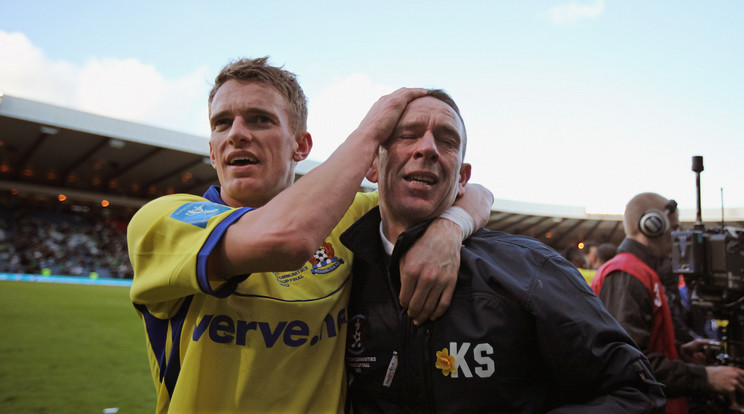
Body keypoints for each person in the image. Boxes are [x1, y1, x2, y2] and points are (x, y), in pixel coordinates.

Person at [127, 58, 493, 413]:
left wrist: (450, 227)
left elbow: (473, 191)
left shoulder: (347, 217)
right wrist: (369, 133)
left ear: (301, 146)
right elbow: (286, 239)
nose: (237, 133)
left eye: (260, 120)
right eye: (222, 123)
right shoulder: (163, 222)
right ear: (211, 150)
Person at [342, 89, 665, 413]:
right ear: (372, 165)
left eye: (447, 141)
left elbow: (638, 393)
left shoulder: (531, 269)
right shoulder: (338, 273)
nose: (427, 148)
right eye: (407, 135)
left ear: (462, 179)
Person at [592, 192, 744, 413]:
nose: (677, 238)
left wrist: (679, 351)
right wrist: (706, 377)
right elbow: (627, 364)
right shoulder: (628, 273)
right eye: (673, 229)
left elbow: (639, 348)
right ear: (651, 225)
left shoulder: (640, 271)